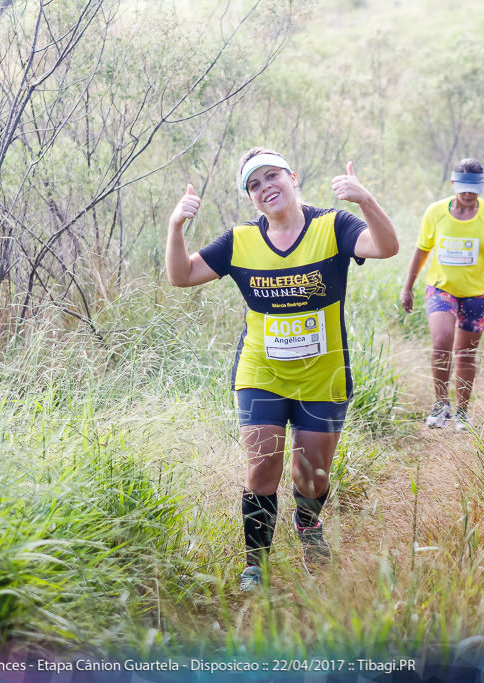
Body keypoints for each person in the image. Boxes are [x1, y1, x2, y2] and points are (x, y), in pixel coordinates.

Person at [166, 149, 398, 592]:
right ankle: (256, 563)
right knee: (263, 468)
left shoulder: (332, 226)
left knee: (311, 476)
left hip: (323, 375)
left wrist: (365, 200)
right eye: (254, 184)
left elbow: (386, 247)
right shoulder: (239, 241)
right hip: (262, 373)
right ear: (250, 197)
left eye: (271, 176)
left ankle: (308, 524)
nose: (265, 186)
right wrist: (176, 226)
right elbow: (181, 275)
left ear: (291, 177)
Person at [399, 158, 484, 431]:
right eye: (463, 186)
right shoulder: (435, 212)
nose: (468, 193)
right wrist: (408, 286)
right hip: (441, 288)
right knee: (442, 341)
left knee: (466, 352)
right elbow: (421, 250)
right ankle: (441, 404)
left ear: (481, 186)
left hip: (477, 295)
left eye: (474, 187)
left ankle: (463, 410)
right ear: (453, 184)